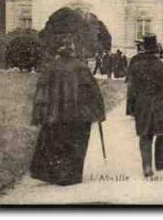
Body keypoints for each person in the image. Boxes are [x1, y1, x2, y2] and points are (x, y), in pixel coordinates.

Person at [29, 35, 106, 186]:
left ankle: (56, 174)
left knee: (55, 142)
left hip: (55, 115)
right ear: (73, 49)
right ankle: (71, 175)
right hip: (78, 115)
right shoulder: (81, 67)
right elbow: (93, 92)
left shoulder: (50, 67)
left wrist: (39, 114)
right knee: (76, 143)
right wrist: (98, 112)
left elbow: (41, 93)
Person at [126, 35, 163, 177]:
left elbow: (131, 89)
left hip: (143, 104)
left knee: (145, 135)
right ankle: (160, 164)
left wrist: (131, 108)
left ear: (144, 49)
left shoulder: (135, 67)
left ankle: (147, 166)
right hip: (162, 104)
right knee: (162, 134)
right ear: (156, 50)